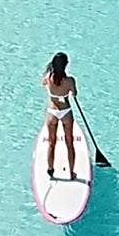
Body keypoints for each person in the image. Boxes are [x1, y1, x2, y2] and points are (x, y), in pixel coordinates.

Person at [41, 51, 78, 181]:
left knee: (52, 142)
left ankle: (50, 170)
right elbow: (74, 93)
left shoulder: (48, 77)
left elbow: (43, 83)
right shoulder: (69, 80)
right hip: (66, 111)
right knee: (69, 142)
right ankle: (71, 172)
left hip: (52, 112)